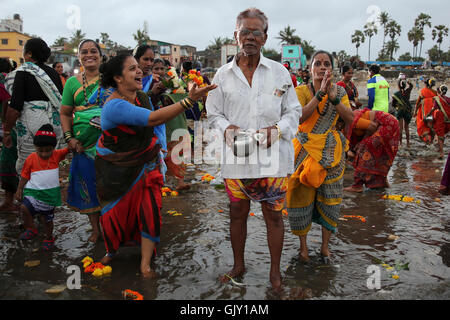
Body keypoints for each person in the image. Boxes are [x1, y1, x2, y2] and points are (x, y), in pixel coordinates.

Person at [95, 54, 216, 278]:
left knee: (149, 210)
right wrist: (188, 100)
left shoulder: (141, 96)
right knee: (114, 215)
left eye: (137, 67)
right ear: (118, 78)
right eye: (132, 69)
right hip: (117, 170)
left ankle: (145, 263)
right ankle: (112, 250)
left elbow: (153, 127)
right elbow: (152, 119)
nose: (139, 71)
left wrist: (159, 146)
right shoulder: (114, 106)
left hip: (146, 165)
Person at [206, 8, 301, 290]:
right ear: (235, 36)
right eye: (244, 31)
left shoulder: (279, 72)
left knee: (273, 215)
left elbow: (293, 111)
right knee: (237, 213)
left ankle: (275, 273)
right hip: (236, 158)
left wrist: (278, 130)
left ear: (265, 38)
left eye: (255, 32)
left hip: (273, 158)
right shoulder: (221, 76)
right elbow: (213, 114)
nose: (249, 37)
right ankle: (238, 264)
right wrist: (228, 129)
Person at [285, 50, 354, 264]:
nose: (322, 67)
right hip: (304, 149)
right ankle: (304, 248)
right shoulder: (301, 91)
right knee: (301, 197)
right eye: (318, 64)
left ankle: (325, 248)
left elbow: (350, 118)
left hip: (332, 151)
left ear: (331, 69)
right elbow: (298, 117)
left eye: (326, 64)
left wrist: (334, 99)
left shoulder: (339, 91)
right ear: (311, 68)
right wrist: (319, 96)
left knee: (330, 199)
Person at [60, 39, 103, 242]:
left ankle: (114, 225)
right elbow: (65, 113)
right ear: (79, 57)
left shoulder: (112, 79)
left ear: (101, 55)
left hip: (109, 142)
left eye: (93, 51)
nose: (89, 55)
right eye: (84, 52)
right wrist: (70, 138)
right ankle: (96, 229)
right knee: (89, 185)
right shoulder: (72, 82)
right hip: (83, 145)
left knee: (110, 184)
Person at [3, 38, 63, 175]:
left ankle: (29, 195)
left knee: (29, 167)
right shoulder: (54, 73)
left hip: (32, 127)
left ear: (29, 54)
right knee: (48, 165)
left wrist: (6, 132)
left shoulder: (24, 72)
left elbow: (15, 106)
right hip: (53, 127)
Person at [15, 124, 70, 251]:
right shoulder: (31, 158)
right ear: (35, 147)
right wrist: (19, 189)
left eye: (48, 150)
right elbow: (24, 175)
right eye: (40, 150)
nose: (44, 154)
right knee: (24, 208)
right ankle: (31, 228)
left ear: (53, 148)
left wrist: (75, 141)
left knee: (47, 219)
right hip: (33, 192)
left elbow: (69, 149)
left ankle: (49, 237)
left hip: (49, 195)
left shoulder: (56, 155)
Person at [152, 58, 191, 190]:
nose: (159, 71)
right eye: (156, 68)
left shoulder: (175, 84)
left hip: (176, 122)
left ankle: (180, 181)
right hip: (161, 124)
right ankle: (163, 181)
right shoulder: (148, 84)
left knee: (178, 150)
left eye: (161, 68)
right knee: (164, 152)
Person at [344, 109, 399, 192]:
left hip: (387, 124)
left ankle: (357, 185)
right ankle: (382, 181)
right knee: (381, 155)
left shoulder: (351, 119)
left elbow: (372, 126)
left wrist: (362, 142)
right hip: (390, 123)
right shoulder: (347, 123)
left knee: (363, 149)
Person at [0, 58, 19, 213]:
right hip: (13, 124)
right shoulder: (11, 78)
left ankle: (10, 201)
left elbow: (7, 99)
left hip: (10, 125)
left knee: (8, 160)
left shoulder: (4, 79)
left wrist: (5, 123)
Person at [414, 78, 438, 144]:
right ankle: (432, 140)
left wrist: (415, 112)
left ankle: (428, 141)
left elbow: (418, 103)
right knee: (432, 125)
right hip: (433, 112)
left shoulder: (422, 91)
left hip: (424, 112)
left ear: (425, 84)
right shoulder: (435, 92)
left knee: (424, 125)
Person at [392, 79, 413, 148]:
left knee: (400, 128)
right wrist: (409, 83)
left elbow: (393, 104)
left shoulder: (396, 94)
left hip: (400, 111)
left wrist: (397, 107)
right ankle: (408, 143)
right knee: (406, 128)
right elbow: (411, 86)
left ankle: (400, 143)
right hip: (407, 111)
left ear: (398, 86)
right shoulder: (408, 92)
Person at [431, 85, 450, 159]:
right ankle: (440, 149)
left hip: (440, 120)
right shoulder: (448, 99)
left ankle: (441, 153)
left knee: (440, 135)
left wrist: (428, 114)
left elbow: (434, 108)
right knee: (442, 135)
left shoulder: (437, 99)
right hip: (448, 120)